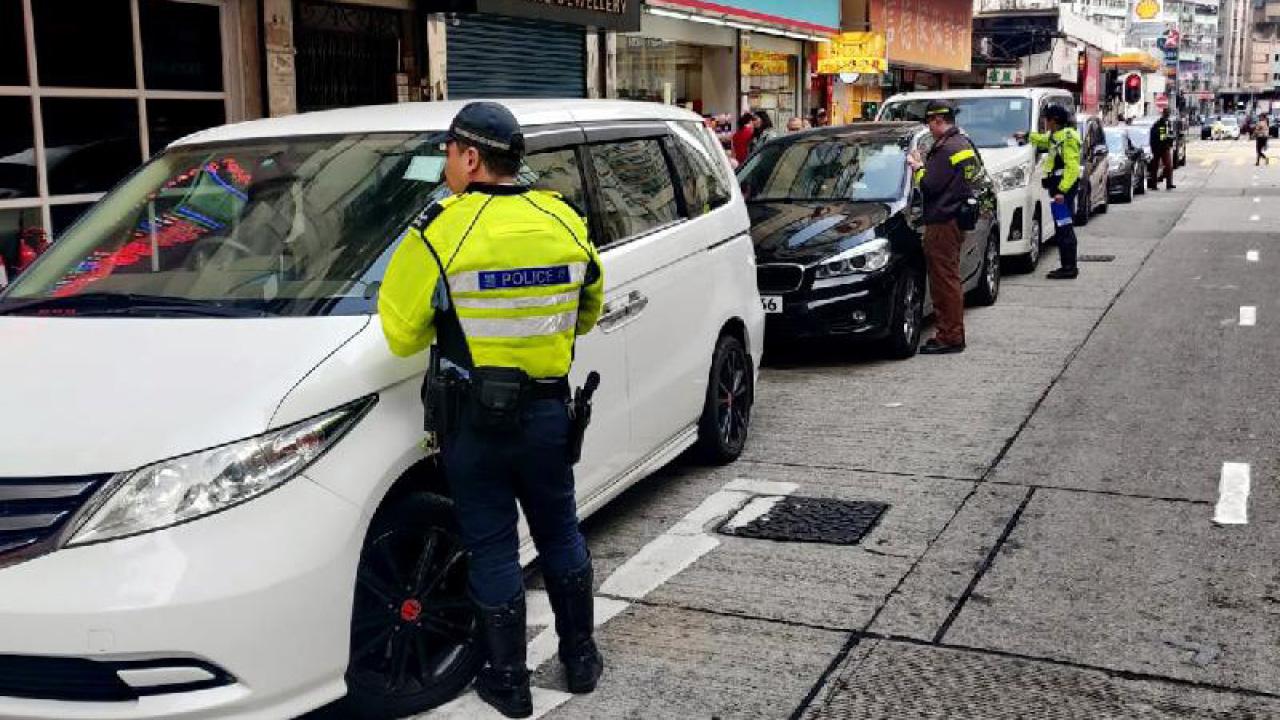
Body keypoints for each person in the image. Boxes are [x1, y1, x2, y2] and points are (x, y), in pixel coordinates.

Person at [378, 101, 606, 719]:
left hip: (474, 422)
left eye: (449, 153)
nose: (446, 165)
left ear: (471, 157)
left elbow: (401, 333)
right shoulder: (562, 219)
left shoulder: (439, 230)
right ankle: (580, 658)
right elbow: (588, 307)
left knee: (492, 546)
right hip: (548, 416)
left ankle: (509, 682)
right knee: (561, 531)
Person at [906, 100, 981, 355]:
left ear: (938, 121)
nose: (928, 127)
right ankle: (952, 333)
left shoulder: (946, 148)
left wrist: (917, 167)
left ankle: (949, 337)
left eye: (930, 122)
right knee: (950, 279)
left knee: (944, 281)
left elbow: (929, 185)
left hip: (942, 222)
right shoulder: (963, 143)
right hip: (955, 219)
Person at [1019, 104, 1082, 280]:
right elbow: (1043, 141)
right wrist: (1026, 136)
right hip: (1058, 191)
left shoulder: (1067, 138)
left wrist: (1062, 190)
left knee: (1064, 228)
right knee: (1061, 227)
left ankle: (1069, 267)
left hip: (1063, 192)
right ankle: (1067, 265)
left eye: (1046, 119)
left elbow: (1072, 168)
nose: (1045, 122)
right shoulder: (1056, 136)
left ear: (1054, 121)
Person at [1149, 107, 1176, 190]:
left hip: (1163, 147)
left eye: (1168, 113)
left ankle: (1169, 184)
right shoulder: (1160, 123)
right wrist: (1170, 138)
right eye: (1167, 113)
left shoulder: (1167, 123)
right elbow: (1162, 137)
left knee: (1168, 166)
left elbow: (1166, 134)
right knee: (1157, 166)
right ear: (1164, 114)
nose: (1168, 115)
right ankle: (1154, 184)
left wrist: (1170, 138)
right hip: (1159, 147)